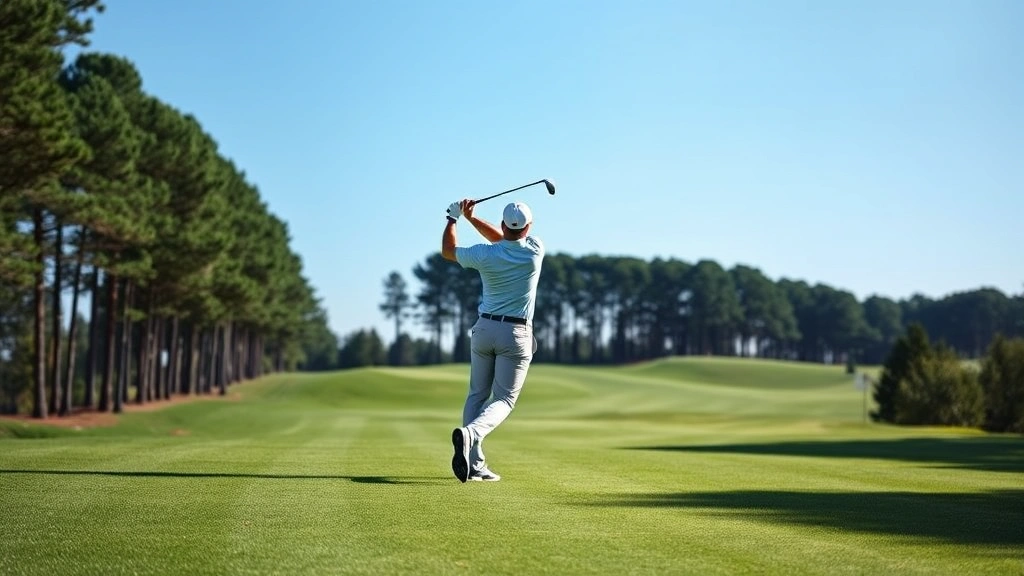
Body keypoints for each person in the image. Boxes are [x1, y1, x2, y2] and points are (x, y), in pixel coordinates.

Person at [440, 197, 545, 483]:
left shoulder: (485, 255)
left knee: (477, 394)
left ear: (502, 224)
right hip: (516, 334)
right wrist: (472, 218)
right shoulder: (535, 250)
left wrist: (455, 218)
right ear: (529, 227)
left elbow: (448, 251)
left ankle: (475, 465)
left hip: (484, 329)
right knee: (505, 400)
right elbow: (508, 240)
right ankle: (470, 435)